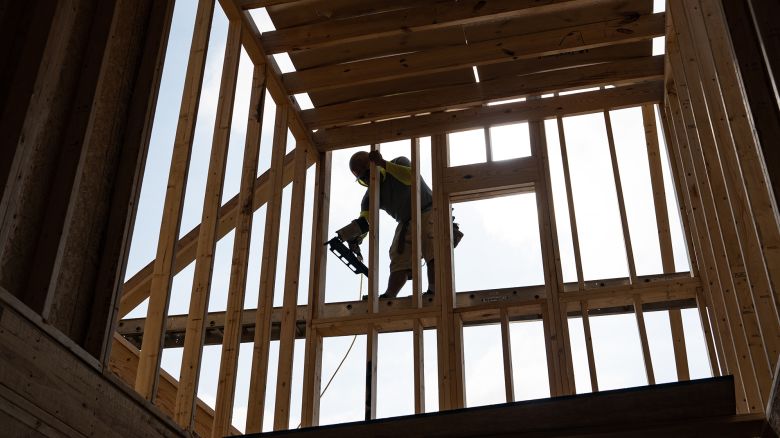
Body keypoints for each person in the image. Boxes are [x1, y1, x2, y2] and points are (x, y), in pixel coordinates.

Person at [348, 150, 462, 299]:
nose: (368, 180)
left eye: (368, 173)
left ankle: (434, 292)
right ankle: (389, 296)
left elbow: (411, 177)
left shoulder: (398, 162)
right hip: (406, 221)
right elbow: (365, 220)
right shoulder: (370, 197)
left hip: (429, 209)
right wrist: (356, 235)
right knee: (398, 256)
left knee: (431, 245)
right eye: (363, 179)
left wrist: (383, 163)